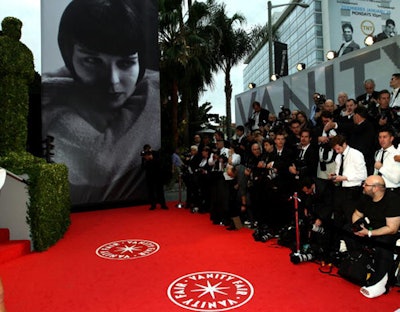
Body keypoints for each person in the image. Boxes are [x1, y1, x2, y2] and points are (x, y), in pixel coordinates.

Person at [41, 0, 159, 205]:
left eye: (125, 63)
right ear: (69, 56)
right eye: (92, 61)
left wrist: (63, 91)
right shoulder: (48, 95)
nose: (112, 80)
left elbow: (102, 163)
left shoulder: (153, 89)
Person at [352, 175, 400, 298]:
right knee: (347, 231)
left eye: (366, 185)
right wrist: (356, 227)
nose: (363, 186)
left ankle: (380, 282)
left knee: (383, 244)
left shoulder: (393, 200)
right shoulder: (366, 197)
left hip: (387, 233)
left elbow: (392, 228)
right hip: (368, 228)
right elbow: (357, 214)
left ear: (376, 188)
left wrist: (368, 233)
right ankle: (359, 267)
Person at [141, 146, 168, 210]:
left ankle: (163, 204)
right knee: (151, 191)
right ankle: (153, 205)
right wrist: (146, 160)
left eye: (148, 150)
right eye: (146, 150)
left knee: (160, 191)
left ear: (150, 149)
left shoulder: (156, 154)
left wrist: (152, 159)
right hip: (149, 177)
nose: (147, 152)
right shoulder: (144, 156)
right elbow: (142, 167)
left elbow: (161, 163)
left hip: (158, 175)